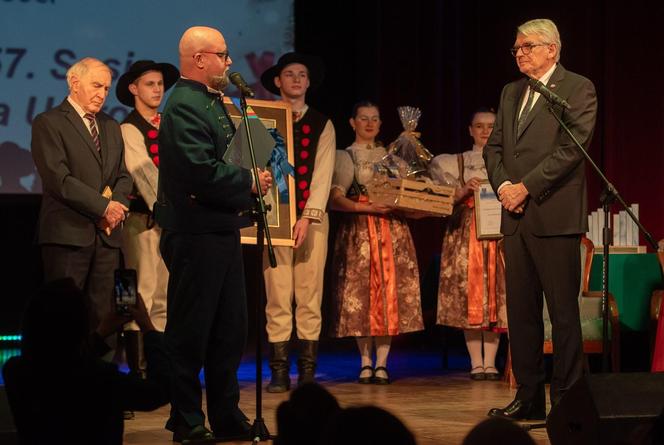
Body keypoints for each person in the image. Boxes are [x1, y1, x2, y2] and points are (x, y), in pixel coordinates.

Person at [155, 26, 272, 442]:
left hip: (222, 227)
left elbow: (233, 154)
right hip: (195, 231)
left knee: (230, 330)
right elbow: (199, 170)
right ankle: (186, 418)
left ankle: (226, 413)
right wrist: (249, 181)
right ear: (199, 58)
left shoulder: (215, 100)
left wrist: (258, 173)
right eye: (222, 54)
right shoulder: (184, 103)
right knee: (191, 330)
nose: (228, 62)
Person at [483, 18, 597, 420]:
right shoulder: (511, 92)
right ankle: (528, 396)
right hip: (514, 217)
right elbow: (493, 148)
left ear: (552, 49)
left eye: (527, 46)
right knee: (522, 312)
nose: (519, 53)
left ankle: (567, 399)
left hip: (554, 214)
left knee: (563, 313)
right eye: (516, 48)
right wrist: (503, 188)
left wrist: (525, 187)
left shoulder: (577, 88)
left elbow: (571, 149)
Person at [30, 57, 132, 348]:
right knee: (63, 315)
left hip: (107, 236)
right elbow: (58, 178)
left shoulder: (111, 125)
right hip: (67, 235)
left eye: (107, 88)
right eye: (96, 85)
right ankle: (60, 383)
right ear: (74, 83)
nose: (102, 93)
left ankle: (100, 380)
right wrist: (103, 207)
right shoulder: (49, 123)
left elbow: (123, 176)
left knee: (104, 315)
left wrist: (116, 208)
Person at [2, 278, 169, 445]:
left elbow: (63, 367)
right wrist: (148, 329)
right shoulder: (104, 378)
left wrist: (100, 333)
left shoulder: (15, 372)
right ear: (81, 324)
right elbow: (159, 392)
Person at [329, 101, 423, 384]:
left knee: (387, 296)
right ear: (352, 122)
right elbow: (335, 198)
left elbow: (413, 195)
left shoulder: (393, 156)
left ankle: (382, 362)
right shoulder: (345, 156)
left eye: (374, 119)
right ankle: (365, 361)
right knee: (361, 296)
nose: (369, 123)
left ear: (381, 124)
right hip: (360, 231)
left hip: (391, 231)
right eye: (363, 118)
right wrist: (365, 208)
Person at [260, 52, 336, 392]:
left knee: (309, 292)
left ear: (307, 82)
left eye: (301, 74)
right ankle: (279, 369)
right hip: (275, 218)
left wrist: (308, 216)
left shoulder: (322, 123)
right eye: (289, 74)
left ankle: (306, 370)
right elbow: (249, 164)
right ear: (278, 81)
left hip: (312, 218)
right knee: (277, 293)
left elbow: (322, 175)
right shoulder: (264, 120)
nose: (295, 79)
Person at [429, 108, 507, 381]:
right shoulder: (456, 162)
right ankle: (476, 362)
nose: (485, 131)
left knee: (495, 298)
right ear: (470, 130)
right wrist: (462, 191)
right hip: (465, 235)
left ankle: (492, 362)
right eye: (479, 126)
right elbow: (438, 201)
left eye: (490, 126)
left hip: (498, 236)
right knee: (470, 296)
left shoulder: (507, 160)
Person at [115, 59, 180, 375]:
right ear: (134, 89)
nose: (157, 89)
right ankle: (137, 369)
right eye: (150, 84)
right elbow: (144, 175)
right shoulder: (128, 128)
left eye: (159, 84)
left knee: (163, 294)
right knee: (134, 292)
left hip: (167, 221)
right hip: (140, 223)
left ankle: (159, 367)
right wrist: (169, 209)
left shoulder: (169, 123)